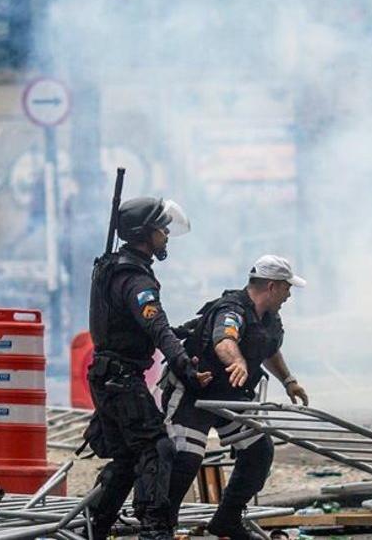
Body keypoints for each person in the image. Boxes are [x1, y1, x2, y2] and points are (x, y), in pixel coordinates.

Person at [85, 197, 212, 540]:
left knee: (126, 460)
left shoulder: (114, 266)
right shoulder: (135, 279)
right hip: (121, 379)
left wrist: (185, 331)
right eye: (161, 227)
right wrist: (184, 364)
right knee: (157, 449)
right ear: (145, 233)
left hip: (106, 376)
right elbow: (155, 326)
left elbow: (134, 327)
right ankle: (155, 530)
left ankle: (91, 527)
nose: (167, 233)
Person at [163, 255, 309, 540]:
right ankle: (160, 527)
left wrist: (289, 380)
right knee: (186, 460)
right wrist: (238, 362)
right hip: (194, 394)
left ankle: (227, 520)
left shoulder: (268, 316)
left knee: (259, 452)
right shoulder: (231, 309)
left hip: (230, 394)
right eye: (287, 287)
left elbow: (268, 349)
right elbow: (224, 340)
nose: (290, 294)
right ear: (272, 286)